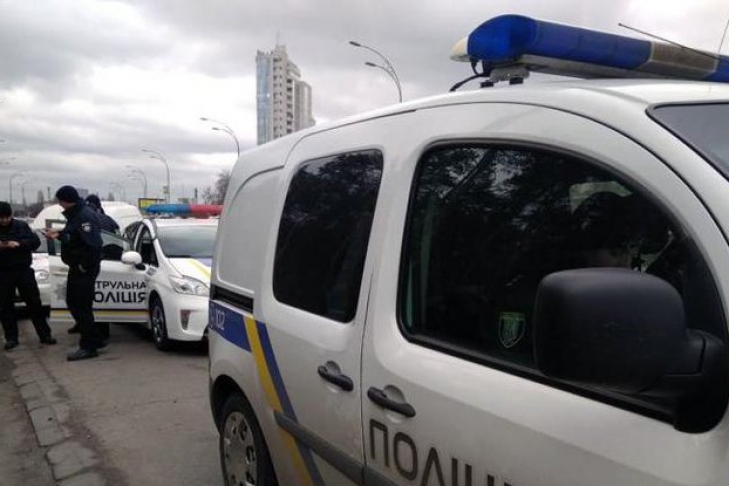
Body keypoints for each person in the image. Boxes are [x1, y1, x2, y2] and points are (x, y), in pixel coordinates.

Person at [46, 185, 104, 361]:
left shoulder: (84, 216)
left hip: (83, 268)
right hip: (78, 267)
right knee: (75, 302)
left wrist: (83, 266)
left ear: (66, 200)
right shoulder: (77, 214)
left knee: (80, 306)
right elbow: (74, 236)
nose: (60, 205)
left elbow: (94, 245)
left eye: (60, 201)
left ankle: (88, 346)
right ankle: (94, 338)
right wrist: (59, 235)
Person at [0, 202, 57, 350]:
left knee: (34, 304)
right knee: (6, 307)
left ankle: (45, 335)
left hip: (23, 270)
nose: (4, 220)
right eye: (1, 218)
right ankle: (11, 338)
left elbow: (35, 242)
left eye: (6, 217)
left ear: (11, 215)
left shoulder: (21, 226)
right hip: (4, 272)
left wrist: (19, 244)